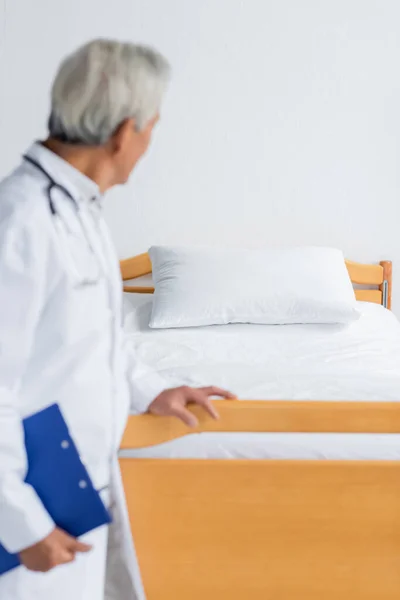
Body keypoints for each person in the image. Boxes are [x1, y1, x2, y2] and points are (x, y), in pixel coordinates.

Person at [0, 39, 234, 600]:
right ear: (125, 132)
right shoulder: (20, 222)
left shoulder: (82, 211)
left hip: (77, 491)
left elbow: (94, 340)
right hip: (30, 512)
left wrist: (154, 390)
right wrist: (23, 525)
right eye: (152, 127)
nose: (149, 142)